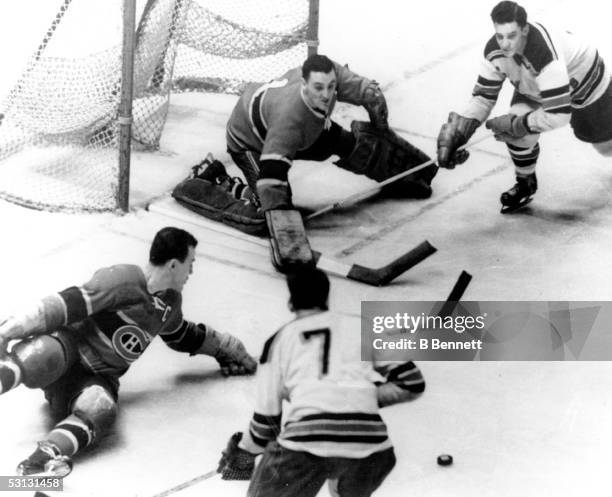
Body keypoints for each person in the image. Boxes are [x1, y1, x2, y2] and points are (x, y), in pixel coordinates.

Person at [0, 227, 257, 477]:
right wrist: (7, 331)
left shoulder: (169, 304)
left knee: (100, 409)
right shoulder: (123, 280)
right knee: (41, 354)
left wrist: (225, 347)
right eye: (190, 262)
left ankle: (39, 462)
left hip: (97, 379)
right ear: (173, 265)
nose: (192, 271)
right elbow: (62, 306)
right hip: (69, 351)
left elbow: (183, 337)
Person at [173, 54, 437, 269]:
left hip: (309, 129)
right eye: (318, 89)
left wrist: (383, 132)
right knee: (263, 218)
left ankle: (399, 177)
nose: (326, 95)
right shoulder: (289, 122)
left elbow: (371, 94)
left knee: (357, 147)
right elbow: (270, 180)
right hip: (250, 142)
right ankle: (210, 180)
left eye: (331, 88)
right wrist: (288, 239)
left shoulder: (328, 74)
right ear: (304, 85)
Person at [216, 267, 426, 497]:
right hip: (373, 450)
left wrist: (244, 450)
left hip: (305, 446)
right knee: (342, 483)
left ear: (290, 303)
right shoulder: (364, 327)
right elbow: (412, 383)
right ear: (326, 297)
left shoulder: (278, 341)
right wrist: (357, 395)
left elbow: (265, 425)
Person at [436, 1, 612, 212]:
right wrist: (461, 131)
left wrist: (517, 124)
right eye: (500, 36)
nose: (505, 44)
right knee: (518, 128)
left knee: (604, 147)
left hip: (584, 81)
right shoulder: (494, 52)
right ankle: (525, 181)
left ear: (525, 29)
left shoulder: (544, 52)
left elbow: (558, 115)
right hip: (536, 83)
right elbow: (483, 97)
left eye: (511, 36)